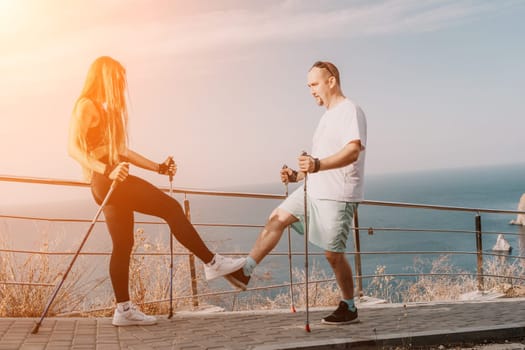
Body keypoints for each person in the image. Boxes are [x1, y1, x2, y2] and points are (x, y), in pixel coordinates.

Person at [68, 56, 245, 327]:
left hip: (114, 179)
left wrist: (159, 168)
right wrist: (106, 170)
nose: (120, 85)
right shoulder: (86, 106)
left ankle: (123, 310)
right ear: (103, 77)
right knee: (171, 208)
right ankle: (212, 262)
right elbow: (73, 149)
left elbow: (123, 152)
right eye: (116, 79)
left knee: (123, 245)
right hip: (109, 180)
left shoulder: (106, 111)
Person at [226, 61, 367, 325]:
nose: (311, 90)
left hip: (339, 194)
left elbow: (352, 151)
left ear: (331, 81)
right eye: (309, 86)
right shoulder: (326, 117)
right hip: (312, 190)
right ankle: (245, 270)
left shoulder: (350, 110)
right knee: (277, 218)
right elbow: (319, 162)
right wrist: (296, 175)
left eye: (314, 84)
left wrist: (317, 164)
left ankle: (349, 306)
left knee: (333, 255)